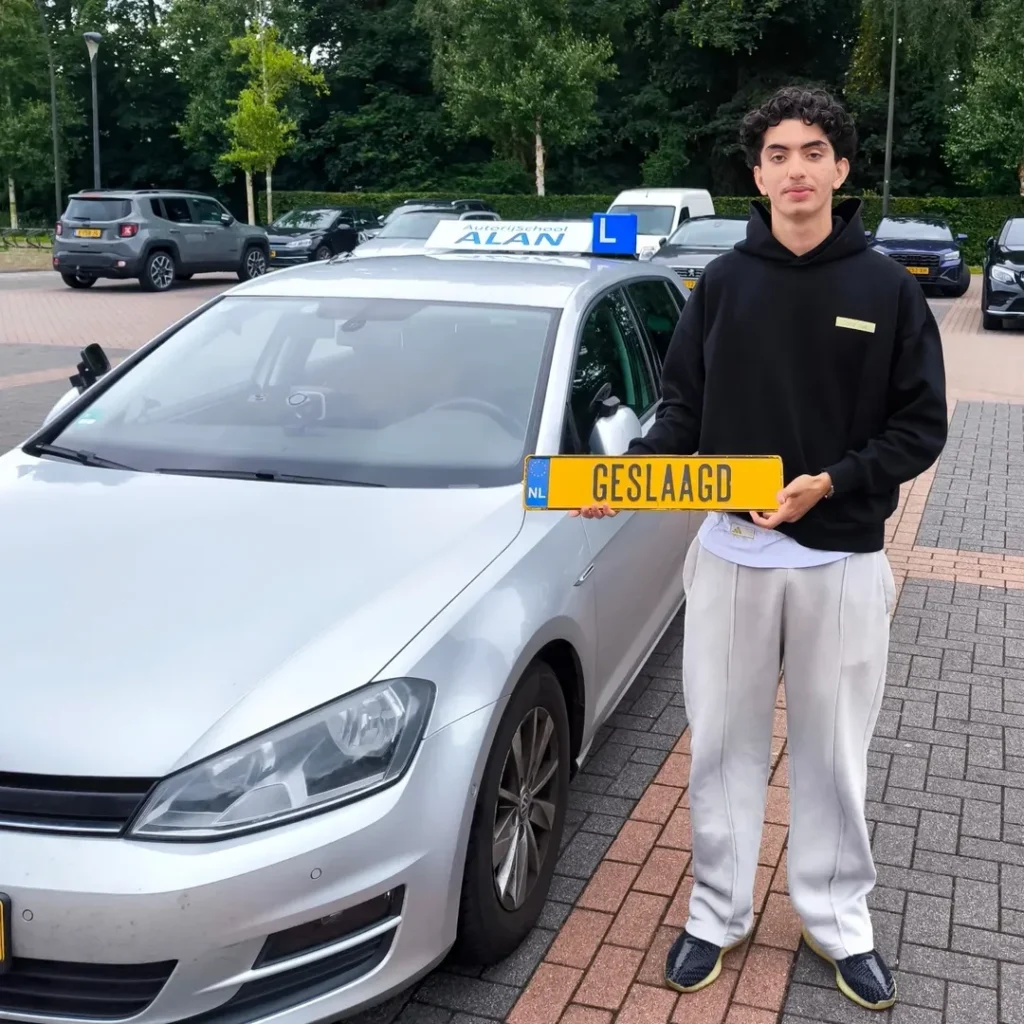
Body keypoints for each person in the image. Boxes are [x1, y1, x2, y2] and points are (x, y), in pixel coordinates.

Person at [572, 86, 947, 1011]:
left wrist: (835, 481)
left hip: (843, 561)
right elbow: (682, 413)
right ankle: (718, 913)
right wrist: (621, 480)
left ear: (841, 168)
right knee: (724, 748)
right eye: (777, 154)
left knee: (833, 753)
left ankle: (837, 923)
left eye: (813, 151)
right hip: (733, 555)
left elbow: (921, 427)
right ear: (757, 173)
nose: (795, 170)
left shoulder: (888, 292)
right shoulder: (723, 286)